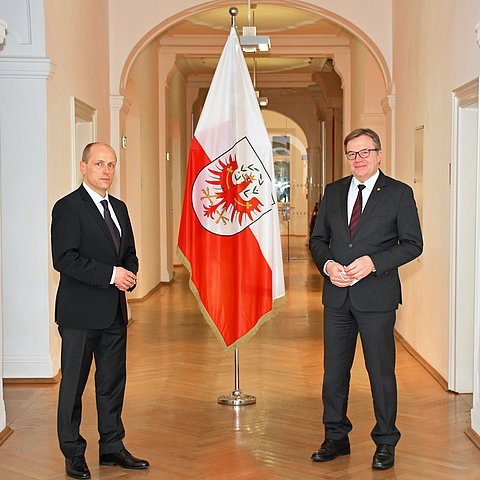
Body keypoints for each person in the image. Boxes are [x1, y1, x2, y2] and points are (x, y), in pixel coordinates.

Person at [309, 128, 423, 470]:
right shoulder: (333, 192)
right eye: (352, 154)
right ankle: (336, 436)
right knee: (334, 373)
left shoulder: (399, 194)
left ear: (378, 154)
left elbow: (413, 244)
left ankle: (386, 441)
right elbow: (318, 241)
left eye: (365, 152)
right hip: (337, 298)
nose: (358, 159)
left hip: (377, 299)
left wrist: (374, 263)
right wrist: (328, 265)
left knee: (380, 373)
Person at [51, 142, 149, 479]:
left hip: (114, 315)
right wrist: (111, 275)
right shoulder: (68, 208)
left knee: (111, 384)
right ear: (83, 167)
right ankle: (73, 453)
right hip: (79, 315)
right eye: (99, 164)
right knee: (74, 386)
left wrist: (129, 274)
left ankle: (111, 447)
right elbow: (64, 258)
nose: (106, 171)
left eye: (111, 165)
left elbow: (129, 252)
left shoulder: (119, 208)